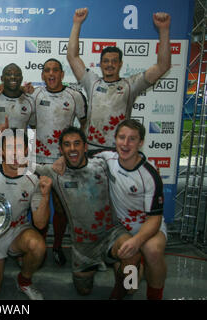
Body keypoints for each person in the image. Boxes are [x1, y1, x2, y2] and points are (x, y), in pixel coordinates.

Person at [37, 126, 141, 299]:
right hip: (83, 246)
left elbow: (129, 154)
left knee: (131, 273)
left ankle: (119, 292)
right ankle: (117, 263)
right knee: (83, 290)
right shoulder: (53, 172)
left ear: (85, 147)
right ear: (61, 149)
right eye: (67, 145)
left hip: (112, 233)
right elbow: (17, 167)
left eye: (77, 144)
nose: (72, 149)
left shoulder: (102, 164)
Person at [67, 8, 171, 152]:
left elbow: (162, 66)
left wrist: (164, 30)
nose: (110, 64)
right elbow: (73, 57)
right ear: (101, 64)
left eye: (114, 61)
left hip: (119, 151)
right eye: (106, 61)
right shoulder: (92, 81)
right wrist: (76, 23)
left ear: (120, 64)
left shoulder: (131, 84)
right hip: (91, 149)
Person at [94, 119, 167, 300]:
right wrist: (62, 160)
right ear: (115, 139)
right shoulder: (107, 157)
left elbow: (154, 219)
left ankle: (154, 295)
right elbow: (78, 155)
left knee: (153, 250)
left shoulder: (150, 175)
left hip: (148, 228)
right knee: (131, 287)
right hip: (120, 229)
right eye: (122, 137)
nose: (125, 144)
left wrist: (138, 240)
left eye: (132, 139)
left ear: (141, 142)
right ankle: (135, 268)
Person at [0, 128, 52, 300]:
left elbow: (40, 224)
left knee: (38, 246)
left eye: (19, 147)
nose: (15, 153)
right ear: (2, 150)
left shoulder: (33, 178)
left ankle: (24, 280)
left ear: (26, 150)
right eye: (10, 147)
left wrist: (46, 195)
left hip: (18, 230)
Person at [30, 58, 88, 267]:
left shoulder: (75, 96)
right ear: (43, 75)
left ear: (62, 74)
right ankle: (39, 247)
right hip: (38, 162)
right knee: (39, 206)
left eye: (55, 70)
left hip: (63, 163)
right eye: (47, 70)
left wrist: (73, 154)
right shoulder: (34, 95)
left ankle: (56, 247)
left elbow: (84, 124)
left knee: (62, 209)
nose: (51, 74)